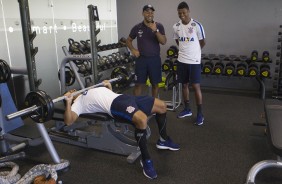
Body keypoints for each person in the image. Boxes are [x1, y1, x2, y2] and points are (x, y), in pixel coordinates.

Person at [63, 80, 180, 179]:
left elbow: (107, 96)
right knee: (142, 120)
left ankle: (163, 140)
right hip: (115, 105)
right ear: (69, 98)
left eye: (72, 90)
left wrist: (109, 87)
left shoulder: (87, 91)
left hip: (124, 98)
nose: (72, 90)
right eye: (69, 92)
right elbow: (69, 121)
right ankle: (146, 160)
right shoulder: (77, 103)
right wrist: (68, 103)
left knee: (162, 106)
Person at [173, 1, 206, 125]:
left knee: (196, 86)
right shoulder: (176, 26)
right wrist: (185, 51)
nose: (182, 15)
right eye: (179, 13)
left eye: (184, 12)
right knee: (184, 85)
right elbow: (178, 41)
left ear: (188, 12)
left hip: (194, 61)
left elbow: (202, 42)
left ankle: (200, 113)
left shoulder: (197, 25)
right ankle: (187, 109)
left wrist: (194, 52)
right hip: (182, 60)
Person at [126, 4, 167, 98]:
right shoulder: (137, 27)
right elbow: (128, 40)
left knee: (155, 85)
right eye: (147, 12)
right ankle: (137, 107)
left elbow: (163, 41)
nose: (150, 14)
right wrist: (133, 50)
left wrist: (155, 30)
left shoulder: (159, 26)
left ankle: (153, 106)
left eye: (151, 12)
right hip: (141, 60)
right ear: (143, 13)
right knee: (138, 85)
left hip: (154, 60)